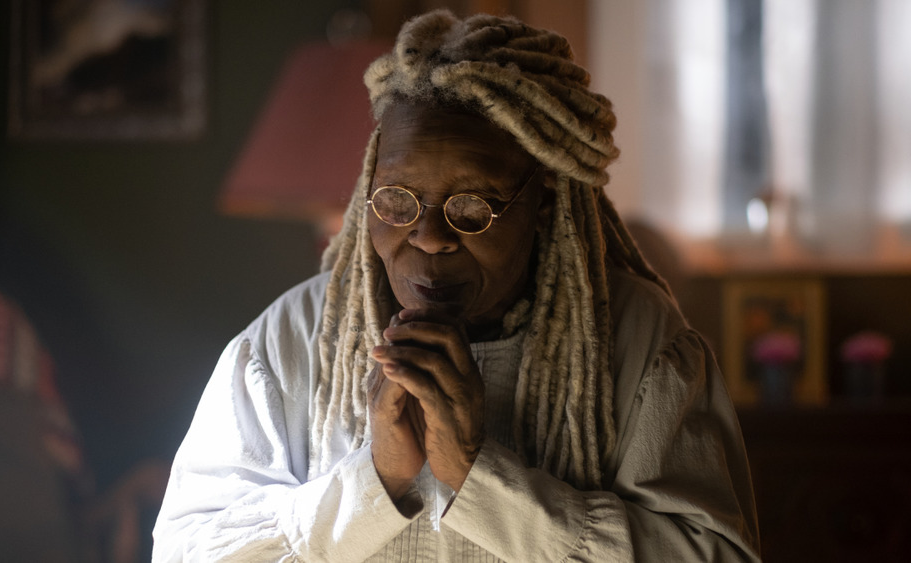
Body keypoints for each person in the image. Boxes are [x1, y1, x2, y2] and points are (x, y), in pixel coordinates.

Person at [153, 9, 760, 562]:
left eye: (472, 206)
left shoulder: (642, 346)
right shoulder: (289, 341)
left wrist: (481, 477)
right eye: (397, 201)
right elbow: (186, 551)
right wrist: (373, 482)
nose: (430, 236)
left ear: (544, 203)